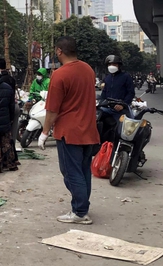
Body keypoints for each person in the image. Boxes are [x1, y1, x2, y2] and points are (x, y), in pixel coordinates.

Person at [39, 36, 98, 225]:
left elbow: (52, 109)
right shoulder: (88, 70)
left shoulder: (60, 74)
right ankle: (82, 206)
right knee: (83, 171)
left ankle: (80, 211)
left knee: (71, 172)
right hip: (89, 129)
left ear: (59, 51)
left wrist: (44, 132)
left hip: (69, 131)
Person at [0, 58, 21, 165]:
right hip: (13, 107)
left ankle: (7, 159)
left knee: (4, 136)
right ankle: (13, 158)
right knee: (11, 135)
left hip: (5, 109)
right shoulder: (10, 78)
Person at [100, 55, 135, 119]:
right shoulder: (107, 78)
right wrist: (100, 102)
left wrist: (122, 105)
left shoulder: (126, 77)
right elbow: (104, 93)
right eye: (109, 64)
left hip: (121, 110)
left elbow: (131, 93)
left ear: (119, 65)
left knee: (124, 127)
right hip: (107, 109)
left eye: (114, 64)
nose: (111, 66)